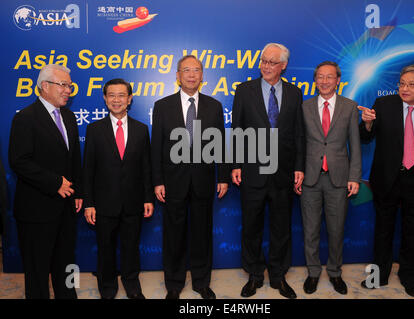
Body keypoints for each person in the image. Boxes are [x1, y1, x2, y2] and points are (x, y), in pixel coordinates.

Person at [359, 64, 414, 297]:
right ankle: (378, 275)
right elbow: (365, 137)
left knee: (413, 230)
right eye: (402, 84)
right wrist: (367, 122)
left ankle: (409, 277)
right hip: (387, 179)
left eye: (411, 84)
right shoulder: (384, 105)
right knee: (383, 230)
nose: (405, 88)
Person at [151, 55, 229, 299]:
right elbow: (157, 147)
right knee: (173, 235)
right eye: (186, 70)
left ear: (202, 75)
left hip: (203, 181)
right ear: (177, 76)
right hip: (173, 182)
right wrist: (158, 180)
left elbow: (221, 145)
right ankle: (174, 284)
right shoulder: (163, 106)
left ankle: (201, 282)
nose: (192, 74)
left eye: (196, 70)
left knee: (202, 234)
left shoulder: (214, 106)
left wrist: (223, 176)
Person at [231, 43, 305, 299]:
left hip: (283, 173)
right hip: (252, 171)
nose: (266, 66)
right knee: (251, 225)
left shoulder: (296, 94)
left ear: (283, 65)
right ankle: (253, 275)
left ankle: (278, 275)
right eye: (263, 61)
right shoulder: (244, 91)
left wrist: (298, 168)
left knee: (281, 227)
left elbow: (298, 134)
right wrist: (236, 164)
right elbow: (237, 129)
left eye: (272, 62)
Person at [8, 64, 82, 299]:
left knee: (67, 264)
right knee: (37, 271)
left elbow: (74, 160)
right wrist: (55, 183)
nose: (68, 90)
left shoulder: (69, 117)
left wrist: (78, 192)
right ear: (45, 86)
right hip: (36, 210)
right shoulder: (25, 118)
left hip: (67, 209)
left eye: (69, 86)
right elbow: (19, 161)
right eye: (63, 85)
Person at [82, 78, 154, 299]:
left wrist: (148, 198)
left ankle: (132, 284)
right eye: (111, 95)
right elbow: (88, 170)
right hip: (104, 204)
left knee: (131, 247)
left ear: (129, 99)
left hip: (133, 202)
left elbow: (146, 168)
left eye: (121, 95)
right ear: (105, 98)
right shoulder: (94, 129)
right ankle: (107, 287)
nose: (116, 100)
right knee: (105, 248)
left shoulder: (142, 130)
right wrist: (89, 203)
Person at [299, 61, 361, 295]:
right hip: (310, 179)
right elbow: (299, 144)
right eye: (320, 77)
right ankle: (313, 273)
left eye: (329, 77)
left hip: (339, 180)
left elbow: (355, 145)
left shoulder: (349, 106)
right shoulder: (304, 107)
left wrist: (354, 176)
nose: (324, 81)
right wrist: (298, 173)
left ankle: (335, 272)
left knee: (336, 231)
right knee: (310, 229)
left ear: (338, 80)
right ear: (315, 80)